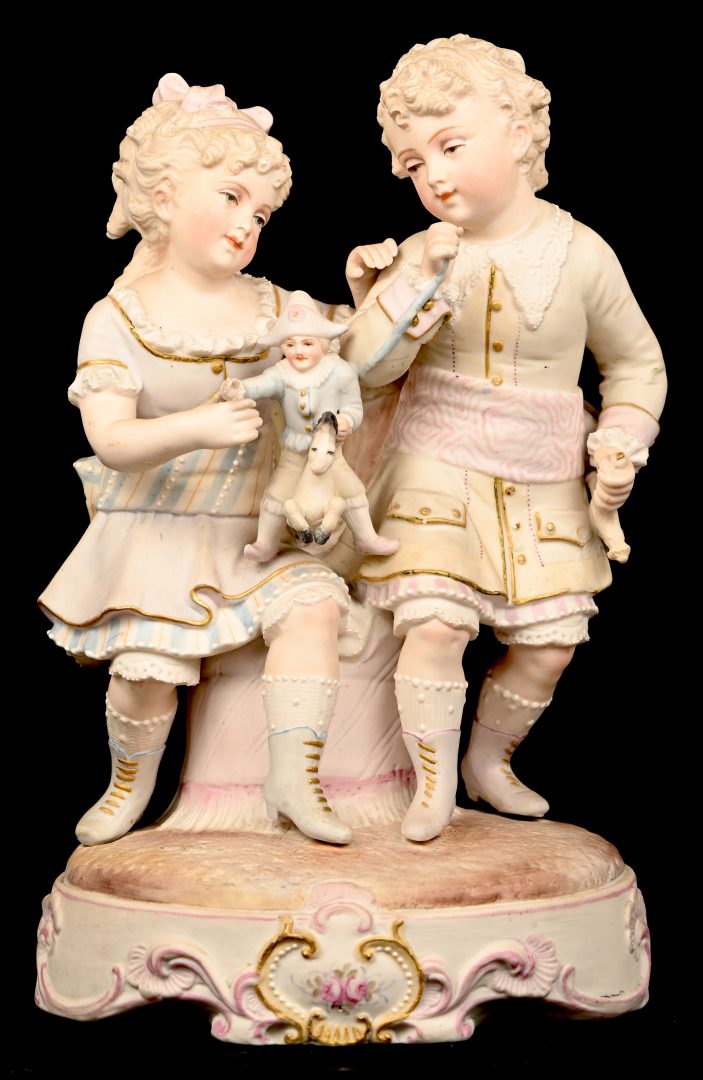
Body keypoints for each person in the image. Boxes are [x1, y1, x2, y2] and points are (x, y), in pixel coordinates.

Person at [342, 34, 666, 842]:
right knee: (435, 622)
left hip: (541, 475)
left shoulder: (581, 254)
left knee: (549, 645)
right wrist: (404, 292)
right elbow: (364, 373)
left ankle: (488, 761)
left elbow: (635, 364)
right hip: (435, 460)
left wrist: (620, 441)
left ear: (519, 135)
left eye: (450, 147)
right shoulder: (418, 255)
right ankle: (429, 787)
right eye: (413, 163)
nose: (433, 176)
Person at [39, 73, 356, 848]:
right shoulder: (119, 318)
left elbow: (354, 356)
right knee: (147, 672)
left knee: (314, 608)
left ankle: (296, 777)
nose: (248, 223)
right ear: (166, 195)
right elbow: (111, 439)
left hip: (253, 534)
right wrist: (198, 425)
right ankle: (128, 782)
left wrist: (370, 287)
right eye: (231, 197)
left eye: (262, 212)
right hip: (157, 532)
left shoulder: (276, 308)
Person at [224, 290, 399, 561]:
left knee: (351, 489)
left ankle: (366, 537)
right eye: (290, 344)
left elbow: (354, 407)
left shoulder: (341, 372)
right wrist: (241, 388)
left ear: (323, 343)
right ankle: (265, 543)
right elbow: (262, 385)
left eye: (307, 343)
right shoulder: (281, 373)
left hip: (330, 449)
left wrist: (346, 420)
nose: (298, 351)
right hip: (295, 449)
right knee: (278, 491)